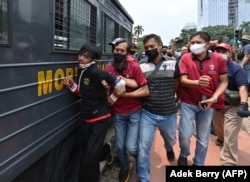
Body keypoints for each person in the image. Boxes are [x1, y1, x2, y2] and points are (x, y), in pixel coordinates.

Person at [63, 43, 126, 182]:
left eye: (85, 56)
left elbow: (121, 85)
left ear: (93, 59)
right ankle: (107, 151)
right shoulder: (83, 71)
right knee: (88, 153)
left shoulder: (95, 72)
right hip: (86, 119)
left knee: (88, 160)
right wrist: (72, 85)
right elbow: (84, 92)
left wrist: (112, 98)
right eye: (80, 55)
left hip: (99, 120)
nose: (81, 58)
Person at [177, 31, 228, 166]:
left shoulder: (218, 59)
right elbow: (182, 80)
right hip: (188, 102)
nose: (194, 45)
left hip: (207, 104)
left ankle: (198, 163)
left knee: (203, 137)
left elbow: (224, 82)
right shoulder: (186, 58)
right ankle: (184, 153)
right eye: (192, 43)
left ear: (207, 44)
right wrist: (197, 82)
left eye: (198, 42)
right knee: (184, 134)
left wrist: (215, 97)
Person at [104, 38, 149, 182]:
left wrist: (124, 85)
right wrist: (107, 90)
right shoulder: (108, 69)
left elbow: (143, 87)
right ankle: (125, 166)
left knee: (131, 147)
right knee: (120, 145)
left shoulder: (134, 67)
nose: (118, 52)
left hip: (134, 110)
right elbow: (109, 94)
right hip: (118, 112)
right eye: (116, 50)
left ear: (127, 53)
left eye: (122, 51)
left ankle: (141, 164)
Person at [137, 34, 178, 182]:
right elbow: (140, 85)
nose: (149, 49)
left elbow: (177, 84)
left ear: (160, 46)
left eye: (152, 46)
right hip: (148, 113)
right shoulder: (141, 64)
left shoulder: (173, 63)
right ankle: (144, 178)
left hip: (169, 113)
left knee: (170, 140)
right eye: (146, 47)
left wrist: (174, 100)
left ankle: (169, 148)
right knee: (143, 148)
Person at [212, 43, 250, 165]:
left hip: (233, 105)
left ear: (230, 53)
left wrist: (244, 104)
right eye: (218, 51)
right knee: (217, 127)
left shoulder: (236, 68)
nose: (220, 53)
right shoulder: (212, 68)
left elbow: (243, 87)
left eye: (224, 51)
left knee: (231, 134)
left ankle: (229, 161)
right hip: (218, 104)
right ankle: (221, 138)